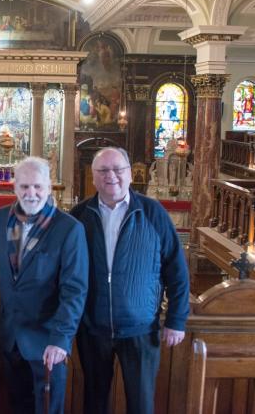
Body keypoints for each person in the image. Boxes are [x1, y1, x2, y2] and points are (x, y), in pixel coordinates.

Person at [70, 147, 190, 414]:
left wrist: (177, 319)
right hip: (93, 329)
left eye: (118, 169)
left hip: (141, 328)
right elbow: (64, 272)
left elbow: (176, 269)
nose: (111, 176)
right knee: (94, 402)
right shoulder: (78, 215)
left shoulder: (152, 211)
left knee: (141, 404)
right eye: (103, 170)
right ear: (93, 176)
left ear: (130, 174)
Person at [0, 157, 88, 414]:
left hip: (47, 342)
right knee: (17, 405)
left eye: (37, 186)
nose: (30, 193)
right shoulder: (4, 218)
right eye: (24, 187)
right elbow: (0, 267)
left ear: (49, 187)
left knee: (46, 409)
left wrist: (61, 339)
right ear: (14, 187)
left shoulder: (69, 229)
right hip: (11, 336)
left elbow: (74, 290)